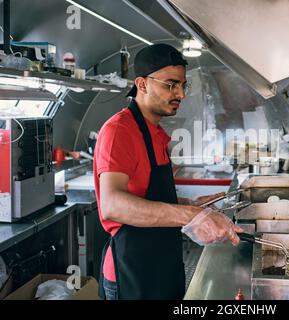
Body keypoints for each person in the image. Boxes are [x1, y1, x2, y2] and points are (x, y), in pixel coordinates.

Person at [93, 44, 243, 300]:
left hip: (162, 266)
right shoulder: (120, 131)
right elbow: (112, 205)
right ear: (141, 84)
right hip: (132, 273)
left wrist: (193, 206)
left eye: (184, 85)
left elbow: (147, 197)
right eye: (171, 85)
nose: (181, 94)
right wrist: (190, 215)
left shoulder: (156, 133)